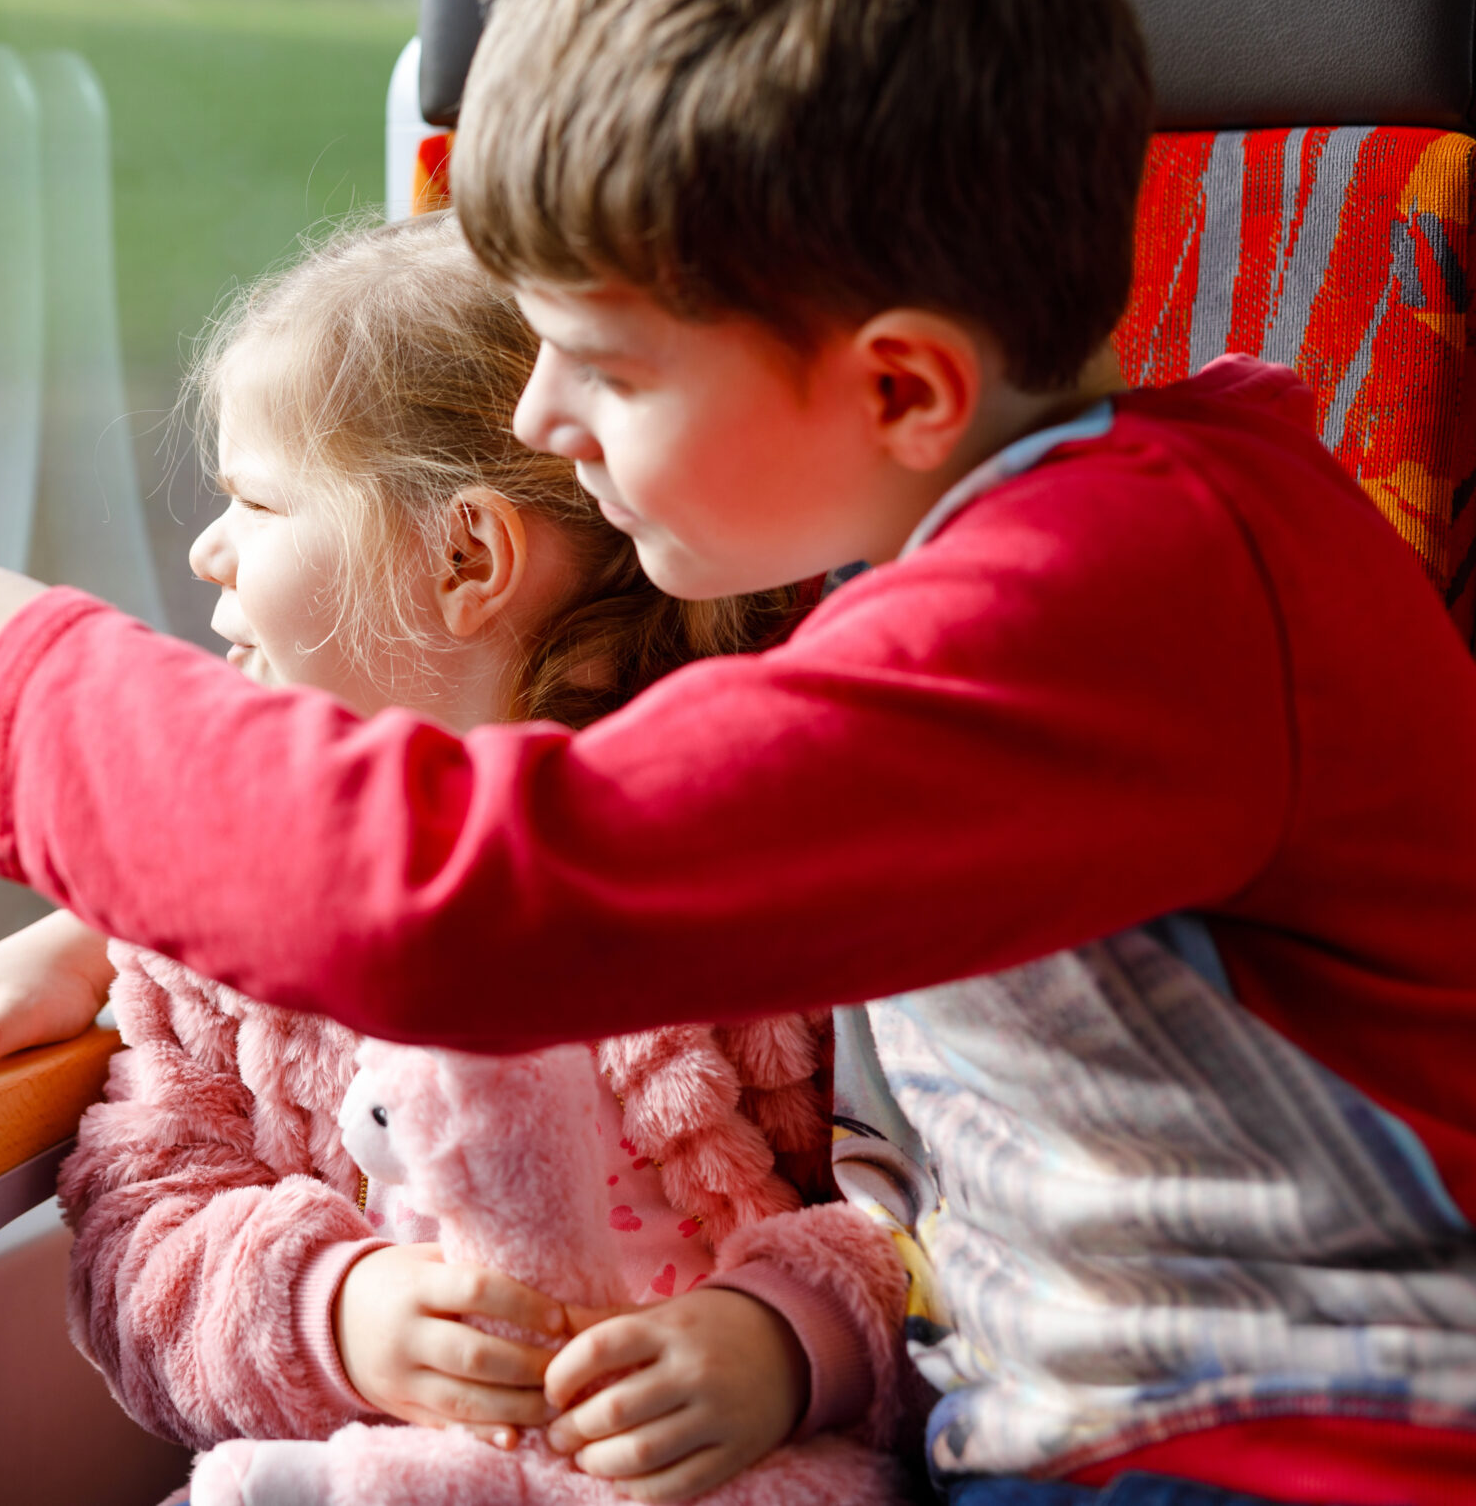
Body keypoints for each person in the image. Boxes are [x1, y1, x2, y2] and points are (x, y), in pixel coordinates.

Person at [0, 0, 1476, 1503]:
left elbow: (484, 891)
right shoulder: (977, 552)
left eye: (609, 361)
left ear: (897, 380)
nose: (545, 418)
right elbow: (653, 766)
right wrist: (136, 920)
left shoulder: (1111, 599)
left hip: (1367, 1437)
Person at [50, 213, 916, 1500]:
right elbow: (136, 1231)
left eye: (254, 502)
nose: (204, 550)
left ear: (467, 557)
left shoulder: (771, 862)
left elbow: (940, 1213)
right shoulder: (215, 917)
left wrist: (784, 1345)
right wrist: (329, 1313)